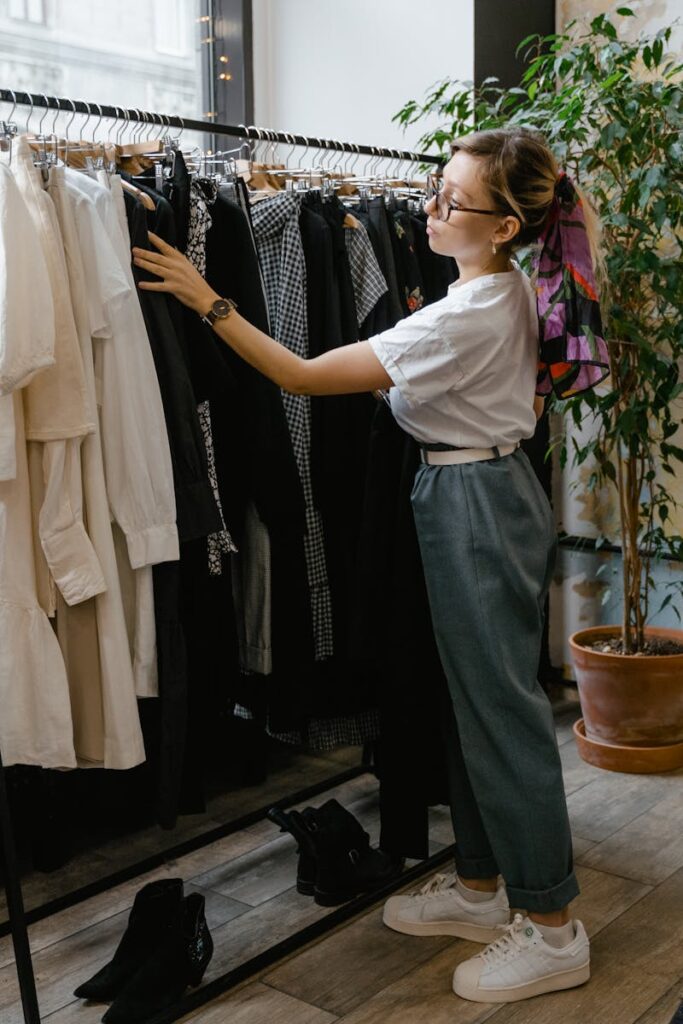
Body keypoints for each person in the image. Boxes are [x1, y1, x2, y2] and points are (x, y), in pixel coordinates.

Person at [132, 125, 609, 1004]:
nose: (429, 208)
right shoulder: (487, 291)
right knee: (468, 704)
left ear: (504, 226)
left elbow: (303, 375)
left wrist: (208, 298)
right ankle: (478, 886)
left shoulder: (472, 310)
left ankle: (551, 928)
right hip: (467, 493)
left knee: (499, 714)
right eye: (434, 188)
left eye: (451, 201)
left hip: (475, 503)